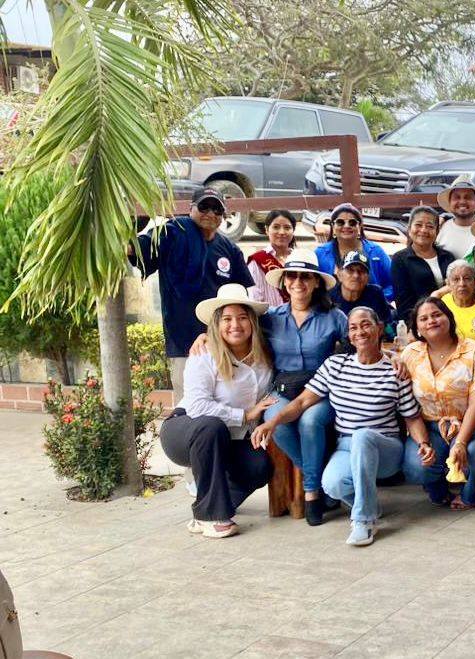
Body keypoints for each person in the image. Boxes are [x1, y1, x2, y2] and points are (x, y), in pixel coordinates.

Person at [252, 307, 433, 546]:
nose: (360, 332)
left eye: (366, 325)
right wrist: (272, 422)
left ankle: (363, 520)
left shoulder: (394, 370)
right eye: (353, 328)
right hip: (347, 446)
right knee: (332, 485)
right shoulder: (335, 365)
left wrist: (423, 443)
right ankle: (369, 504)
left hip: (385, 447)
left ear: (379, 328)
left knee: (363, 436)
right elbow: (302, 402)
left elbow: (412, 417)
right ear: (348, 336)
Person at [160, 284, 274, 538]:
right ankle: (210, 516)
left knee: (259, 466)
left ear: (253, 322)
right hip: (186, 430)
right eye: (227, 319)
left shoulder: (264, 359)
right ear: (217, 324)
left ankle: (209, 507)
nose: (235, 325)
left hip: (231, 438)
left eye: (242, 318)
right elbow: (197, 406)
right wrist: (245, 415)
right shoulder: (204, 354)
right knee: (211, 425)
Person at [131, 187, 254, 403]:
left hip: (224, 341)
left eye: (217, 209)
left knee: (227, 401)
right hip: (184, 342)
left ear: (223, 215)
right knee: (189, 404)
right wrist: (128, 225)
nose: (210, 213)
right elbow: (133, 249)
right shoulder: (171, 233)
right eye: (204, 207)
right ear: (191, 209)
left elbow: (243, 295)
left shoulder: (230, 249)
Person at [259, 250, 348, 526]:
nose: (298, 282)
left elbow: (357, 346)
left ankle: (311, 493)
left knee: (310, 422)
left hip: (320, 389)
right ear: (284, 281)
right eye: (292, 276)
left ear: (316, 282)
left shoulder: (334, 316)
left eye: (305, 277)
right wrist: (204, 337)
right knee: (276, 422)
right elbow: (234, 332)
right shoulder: (270, 317)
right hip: (282, 388)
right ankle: (320, 481)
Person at [400, 297, 475, 510]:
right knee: (416, 466)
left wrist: (461, 442)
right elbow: (406, 402)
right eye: (424, 319)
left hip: (472, 425)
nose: (431, 321)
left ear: (449, 318)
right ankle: (437, 490)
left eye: (437, 315)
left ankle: (469, 493)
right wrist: (423, 444)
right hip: (430, 427)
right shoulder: (410, 354)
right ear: (417, 328)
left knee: (474, 453)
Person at [315, 203, 393, 300]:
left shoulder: (376, 252)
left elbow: (394, 284)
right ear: (332, 226)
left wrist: (377, 300)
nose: (347, 226)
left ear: (360, 226)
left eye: (352, 222)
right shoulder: (320, 254)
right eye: (340, 222)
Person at [392, 206, 455, 324]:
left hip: (451, 320)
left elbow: (456, 288)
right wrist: (413, 327)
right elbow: (403, 304)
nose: (424, 230)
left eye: (430, 226)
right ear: (409, 229)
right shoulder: (400, 259)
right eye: (418, 225)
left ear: (437, 231)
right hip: (421, 323)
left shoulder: (447, 257)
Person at [247, 209, 296, 306]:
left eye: (287, 227)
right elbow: (254, 299)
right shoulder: (257, 261)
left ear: (293, 230)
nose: (282, 232)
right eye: (276, 227)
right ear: (266, 229)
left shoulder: (299, 258)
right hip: (268, 314)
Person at [329, 251, 392, 324]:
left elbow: (386, 324)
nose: (356, 275)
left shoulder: (375, 294)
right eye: (350, 270)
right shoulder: (329, 298)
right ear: (339, 275)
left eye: (361, 271)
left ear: (368, 277)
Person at [436, 180, 475, 259]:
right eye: (456, 197)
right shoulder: (439, 227)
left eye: (468, 197)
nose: (462, 201)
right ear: (449, 202)